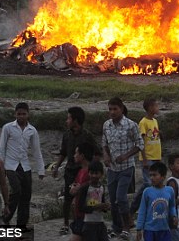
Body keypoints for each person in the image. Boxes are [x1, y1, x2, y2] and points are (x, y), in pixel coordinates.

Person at [0, 101, 46, 231]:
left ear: (28, 114)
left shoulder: (32, 130)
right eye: (19, 114)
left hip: (25, 165)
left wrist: (41, 169)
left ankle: (21, 224)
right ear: (15, 114)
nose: (21, 116)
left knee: (26, 195)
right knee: (16, 190)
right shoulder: (8, 128)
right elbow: (2, 148)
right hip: (10, 165)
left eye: (24, 114)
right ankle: (5, 218)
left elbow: (36, 151)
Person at [102, 97, 141, 237]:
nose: (112, 112)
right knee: (113, 199)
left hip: (126, 167)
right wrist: (106, 156)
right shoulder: (106, 125)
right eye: (110, 109)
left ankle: (127, 225)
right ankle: (116, 227)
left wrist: (126, 155)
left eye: (115, 109)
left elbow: (139, 145)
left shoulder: (131, 125)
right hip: (112, 169)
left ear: (122, 109)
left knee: (121, 197)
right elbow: (104, 143)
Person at [57, 106, 97, 234]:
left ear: (75, 120)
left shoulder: (87, 136)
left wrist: (92, 167)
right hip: (69, 170)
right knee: (68, 197)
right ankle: (65, 223)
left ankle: (81, 221)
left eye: (68, 118)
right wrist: (56, 166)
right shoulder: (67, 135)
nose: (66, 121)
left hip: (82, 171)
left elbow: (97, 152)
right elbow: (63, 152)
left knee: (83, 198)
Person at [134, 160, 177, 241]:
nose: (151, 178)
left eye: (154, 175)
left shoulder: (169, 190)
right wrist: (139, 229)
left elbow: (172, 206)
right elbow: (142, 211)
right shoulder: (147, 192)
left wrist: (174, 216)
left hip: (164, 229)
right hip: (149, 230)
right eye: (150, 175)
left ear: (163, 176)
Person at [78, 160, 111, 241]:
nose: (93, 176)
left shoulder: (102, 187)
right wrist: (95, 207)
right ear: (88, 173)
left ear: (101, 174)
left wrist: (105, 207)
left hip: (100, 222)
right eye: (91, 173)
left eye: (96, 173)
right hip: (89, 224)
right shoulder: (85, 188)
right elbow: (81, 207)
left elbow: (101, 203)